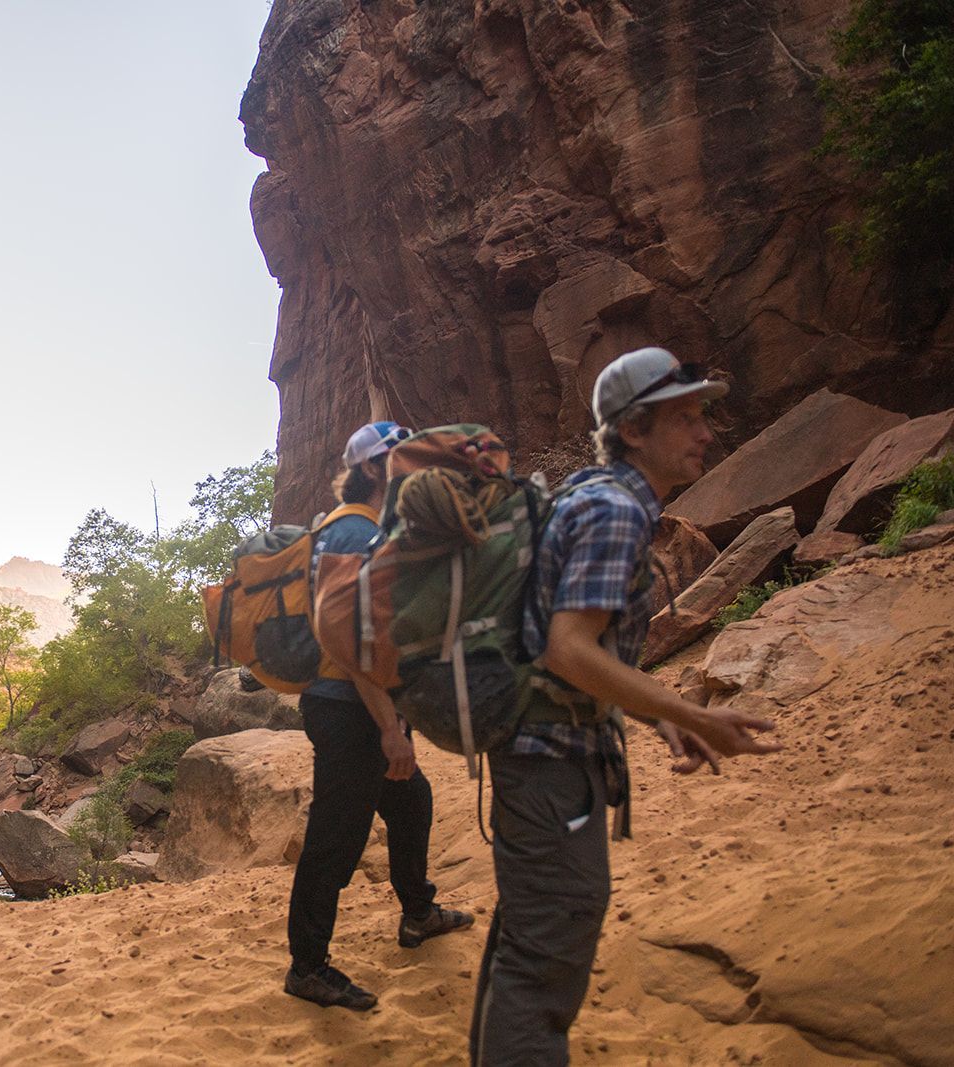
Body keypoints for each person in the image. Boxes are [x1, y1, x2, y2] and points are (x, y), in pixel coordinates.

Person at [468, 348, 784, 1065]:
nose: (705, 431)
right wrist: (696, 712)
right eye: (686, 415)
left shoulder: (591, 496)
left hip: (534, 761)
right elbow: (568, 649)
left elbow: (586, 651)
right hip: (552, 771)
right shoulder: (614, 511)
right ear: (634, 430)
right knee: (544, 965)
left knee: (522, 949)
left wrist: (659, 715)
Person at [285, 421, 476, 1012]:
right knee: (334, 841)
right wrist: (391, 730)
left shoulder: (364, 530)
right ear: (373, 469)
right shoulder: (350, 534)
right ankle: (308, 968)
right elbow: (351, 643)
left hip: (355, 706)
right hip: (350, 711)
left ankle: (417, 913)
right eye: (401, 457)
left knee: (410, 802)